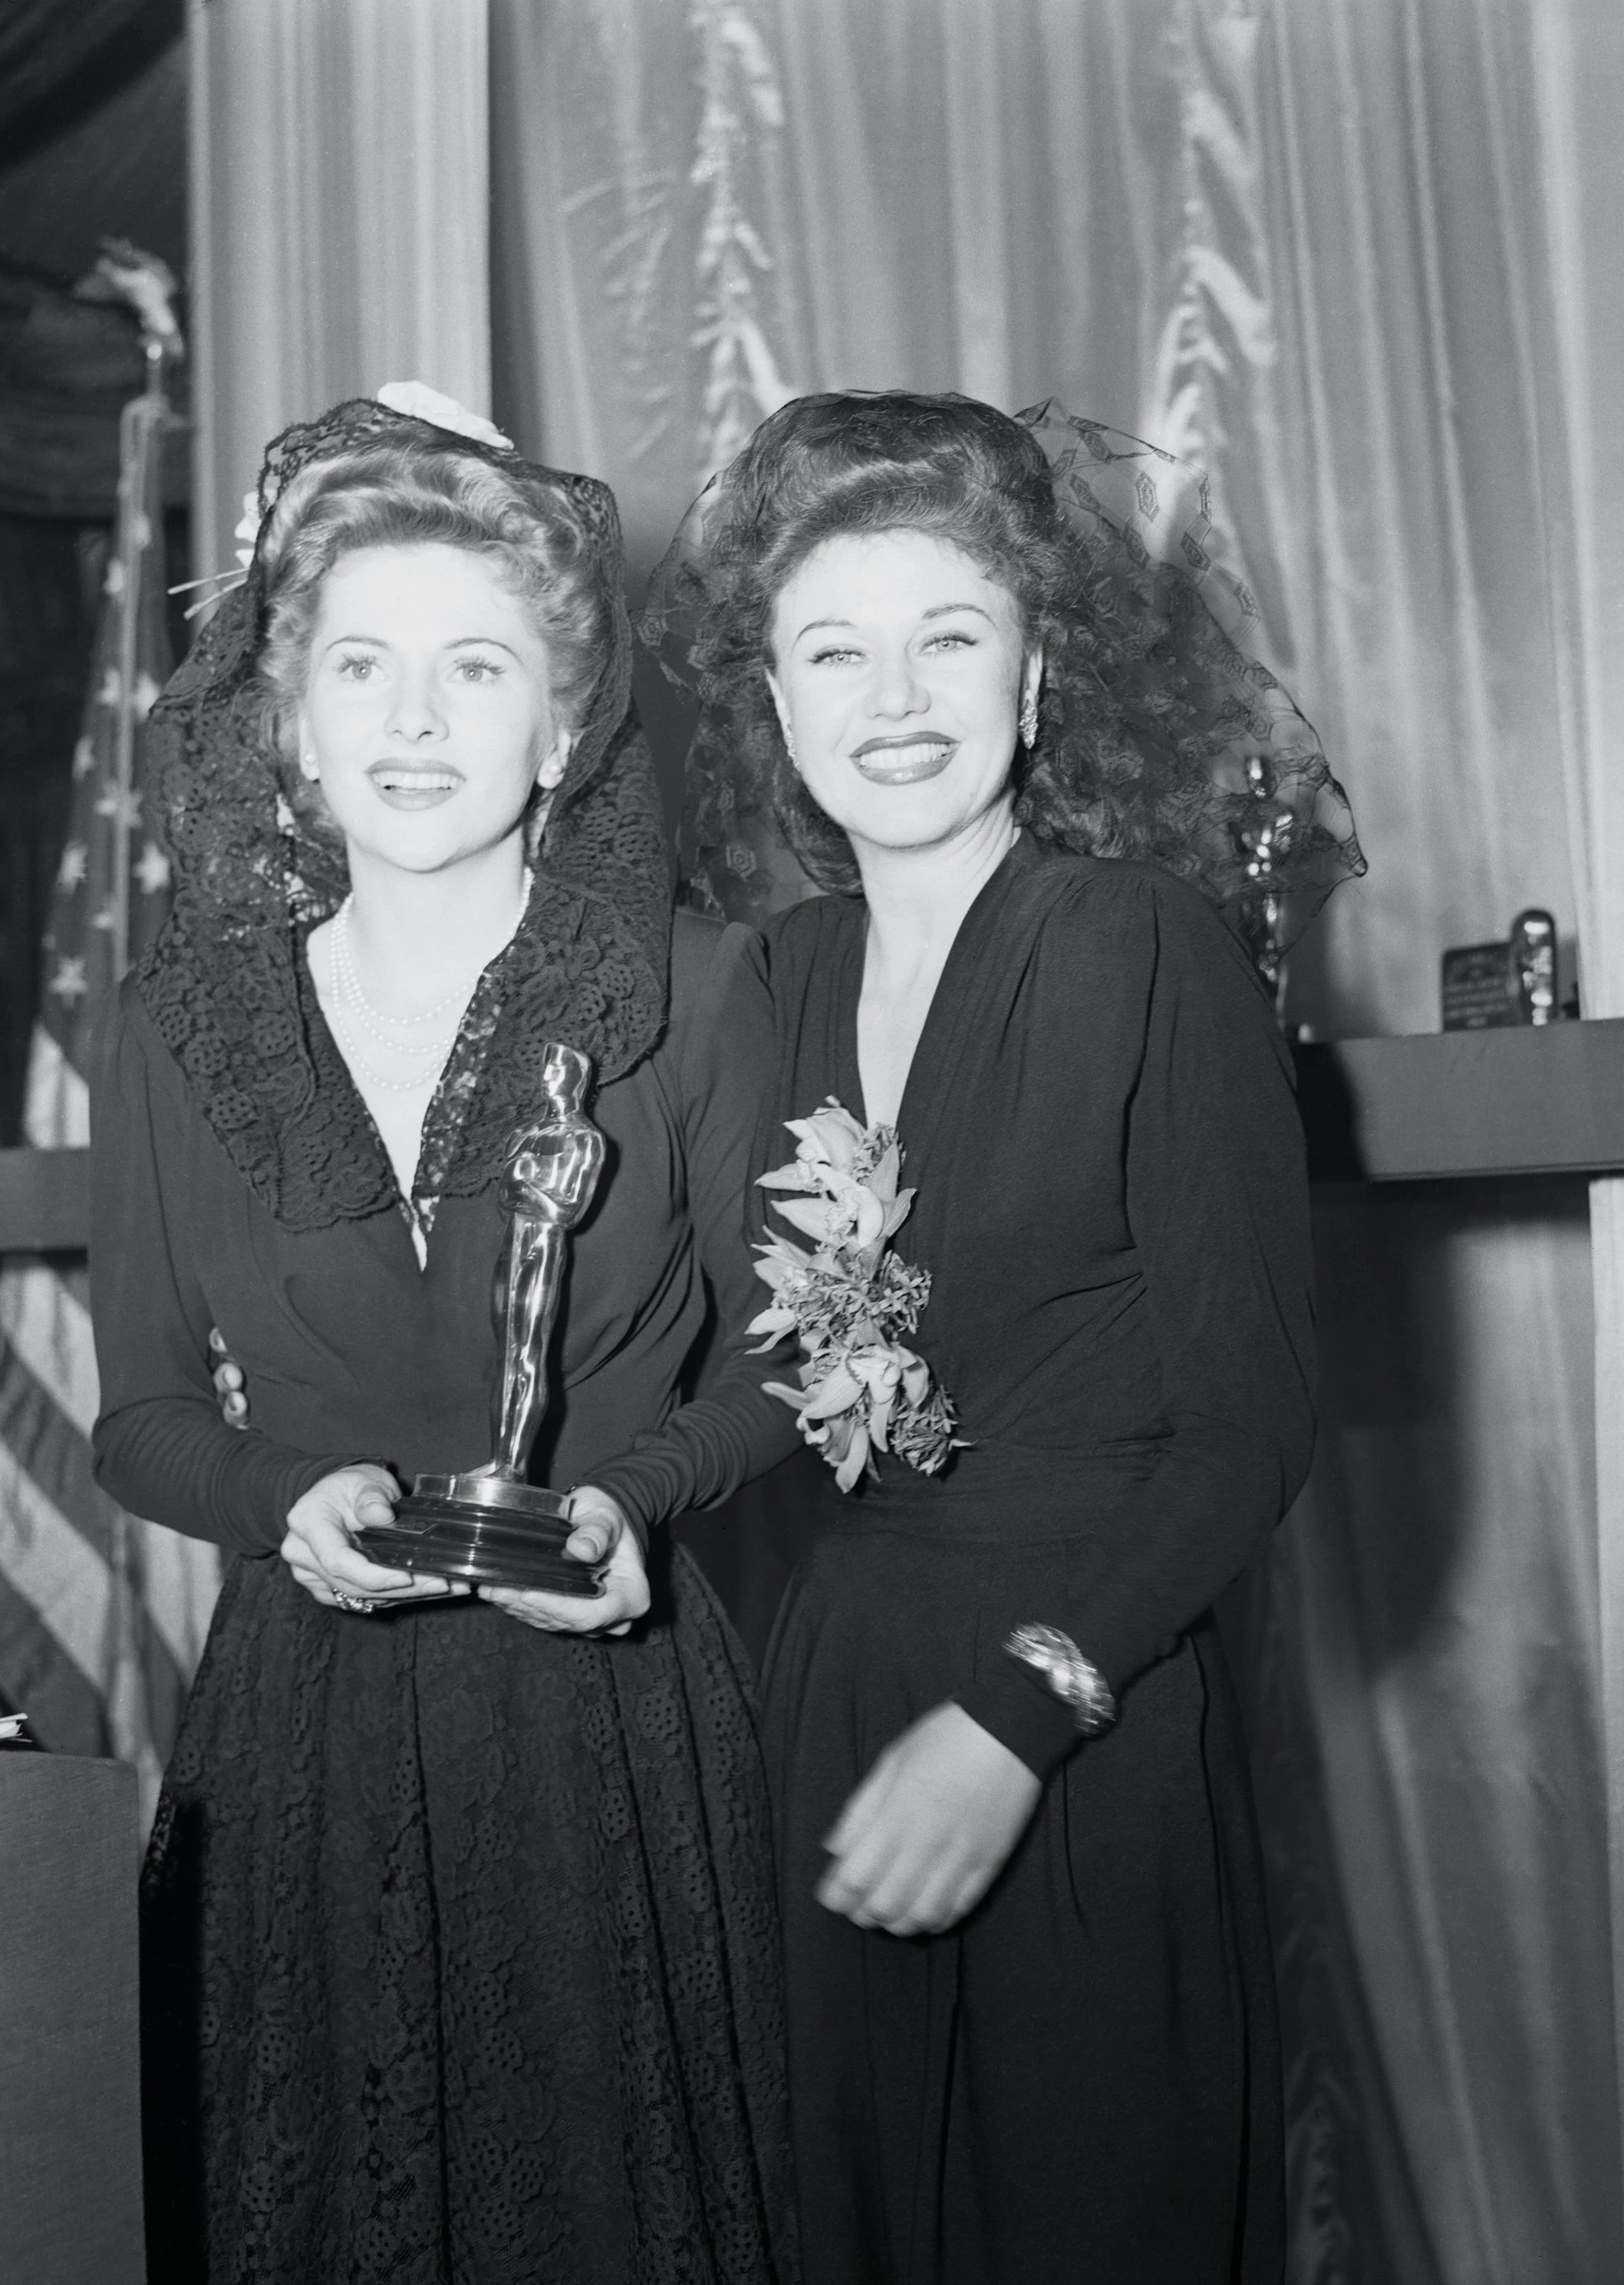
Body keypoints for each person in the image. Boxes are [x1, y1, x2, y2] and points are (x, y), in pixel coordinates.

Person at [640, 390, 1365, 2285]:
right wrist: (614, 1509)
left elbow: (1248, 1429)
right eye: (833, 651)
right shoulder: (786, 971)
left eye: (947, 637)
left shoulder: (1146, 945)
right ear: (775, 704)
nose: (892, 698)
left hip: (1082, 1708)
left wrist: (1022, 1714)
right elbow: (792, 1372)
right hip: (835, 1699)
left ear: (1035, 679)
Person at [90, 390, 797, 2284]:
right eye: (362, 668)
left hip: (614, 1730)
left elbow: (788, 1363)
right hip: (301, 1741)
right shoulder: (178, 1023)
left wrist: (639, 1496)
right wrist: (275, 1495)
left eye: (473, 668)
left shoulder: (703, 988)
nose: (412, 722)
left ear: (561, 725)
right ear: (292, 724)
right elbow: (136, 1414)